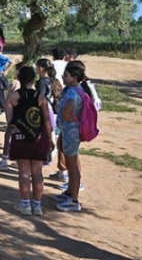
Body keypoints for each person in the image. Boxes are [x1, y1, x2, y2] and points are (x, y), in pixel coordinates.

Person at [6, 67, 53, 217]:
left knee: (24, 172)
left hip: (21, 137)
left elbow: (10, 121)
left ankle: (25, 205)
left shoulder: (12, 97)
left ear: (19, 79)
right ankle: (37, 206)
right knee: (38, 172)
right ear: (34, 79)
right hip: (38, 137)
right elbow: (47, 120)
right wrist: (50, 138)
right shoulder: (41, 97)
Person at [53, 63, 88, 213]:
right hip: (68, 132)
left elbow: (68, 108)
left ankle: (74, 200)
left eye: (66, 76)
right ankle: (69, 192)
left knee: (72, 168)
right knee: (69, 163)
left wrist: (66, 116)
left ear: (74, 77)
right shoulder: (73, 89)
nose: (63, 78)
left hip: (71, 133)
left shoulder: (74, 92)